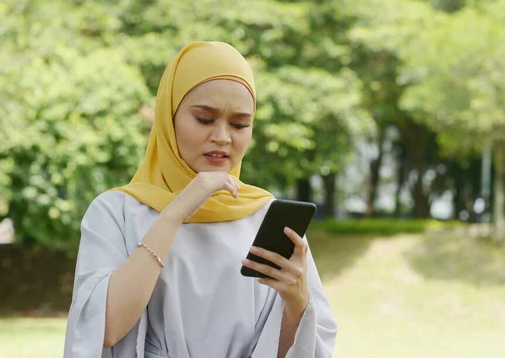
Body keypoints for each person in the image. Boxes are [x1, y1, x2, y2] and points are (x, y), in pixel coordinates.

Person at [63, 41, 337, 358]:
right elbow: (105, 329)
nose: (222, 136)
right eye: (205, 119)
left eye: (239, 124)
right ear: (169, 118)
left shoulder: (264, 215)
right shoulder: (116, 211)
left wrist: (297, 299)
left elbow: (303, 349)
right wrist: (175, 211)